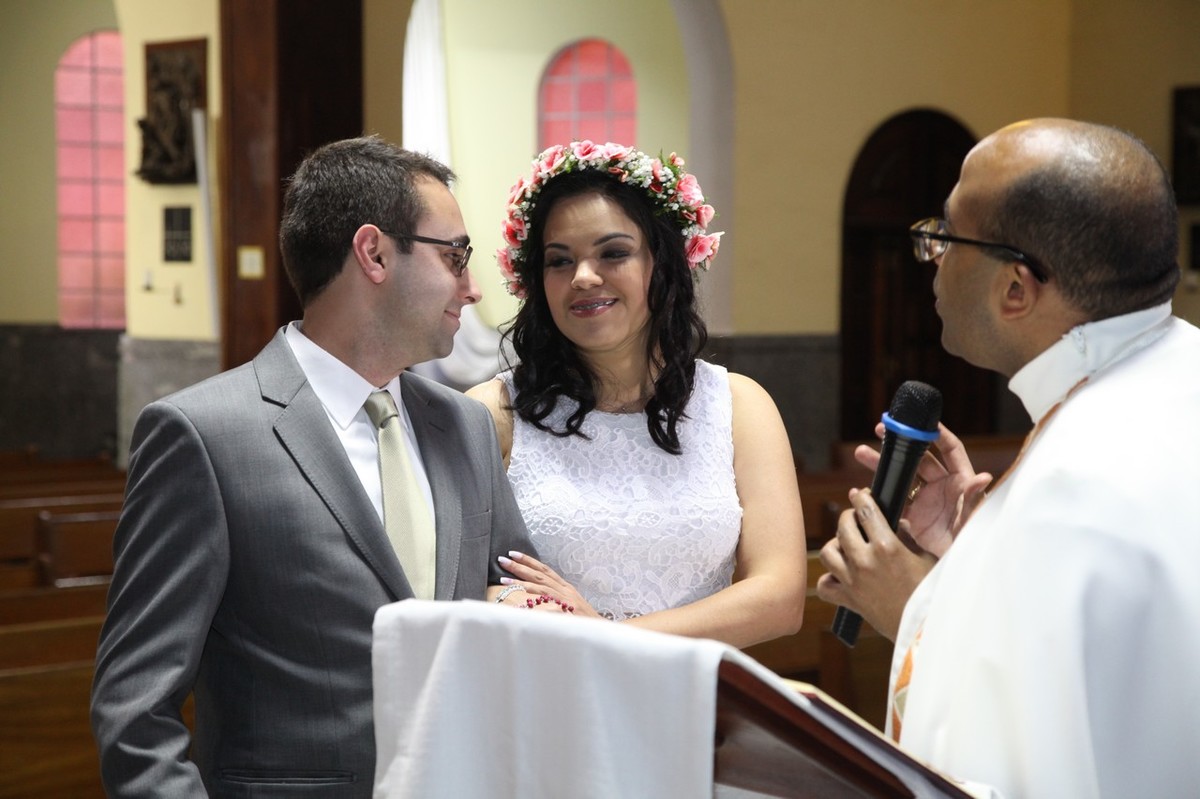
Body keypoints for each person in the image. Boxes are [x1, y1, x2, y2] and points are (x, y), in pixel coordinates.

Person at [91, 136, 541, 798]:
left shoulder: (465, 427)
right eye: (455, 256)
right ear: (374, 253)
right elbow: (135, 711)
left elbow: (518, 606)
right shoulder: (205, 436)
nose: (473, 288)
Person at [817, 118, 1200, 797]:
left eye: (947, 234)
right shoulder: (1170, 375)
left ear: (1016, 289)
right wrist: (975, 561)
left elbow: (1019, 774)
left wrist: (915, 607)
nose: (932, 255)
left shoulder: (1073, 485)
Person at [467, 141, 807, 648]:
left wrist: (607, 639)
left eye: (613, 253)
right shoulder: (494, 413)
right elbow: (451, 582)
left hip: (692, 689)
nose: (583, 277)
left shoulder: (739, 406)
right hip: (551, 682)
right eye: (559, 261)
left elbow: (780, 598)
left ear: (662, 264)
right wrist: (510, 600)